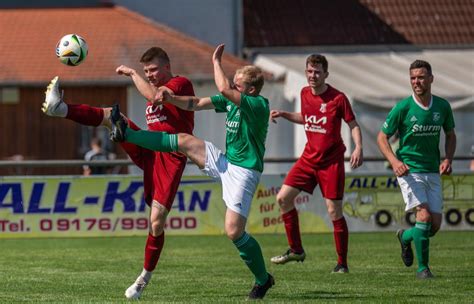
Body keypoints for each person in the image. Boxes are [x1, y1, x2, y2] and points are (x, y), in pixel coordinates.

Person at [109, 44, 274, 300]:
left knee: (233, 231)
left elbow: (222, 89)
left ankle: (263, 280)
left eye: (237, 84)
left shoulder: (258, 104)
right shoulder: (232, 101)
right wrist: (170, 99)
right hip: (226, 162)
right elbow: (195, 103)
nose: (232, 86)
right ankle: (127, 133)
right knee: (184, 140)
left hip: (244, 172)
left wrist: (216, 62)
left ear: (251, 90)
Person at [42, 46, 195, 299]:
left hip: (170, 154)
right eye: (146, 71)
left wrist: (133, 74)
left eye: (154, 69)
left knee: (156, 223)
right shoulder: (154, 86)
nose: (150, 75)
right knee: (112, 117)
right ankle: (60, 108)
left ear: (167, 67)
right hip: (148, 146)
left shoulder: (180, 83)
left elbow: (157, 97)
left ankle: (144, 278)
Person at [269, 54, 363, 273]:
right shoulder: (303, 93)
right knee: (283, 198)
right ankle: (296, 250)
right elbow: (306, 117)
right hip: (308, 160)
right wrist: (284, 114)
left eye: (317, 72)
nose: (313, 76)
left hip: (331, 163)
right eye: (309, 71)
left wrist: (358, 147)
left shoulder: (338, 98)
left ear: (326, 74)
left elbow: (353, 124)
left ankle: (342, 263)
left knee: (334, 211)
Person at [377, 60, 456, 279]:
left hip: (432, 170)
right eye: (413, 78)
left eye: (421, 77)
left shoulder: (442, 106)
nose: (416, 82)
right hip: (409, 170)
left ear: (431, 79)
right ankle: (423, 270)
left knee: (435, 225)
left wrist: (448, 158)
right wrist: (394, 162)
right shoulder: (403, 107)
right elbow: (382, 137)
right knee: (423, 215)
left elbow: (450, 134)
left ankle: (405, 237)